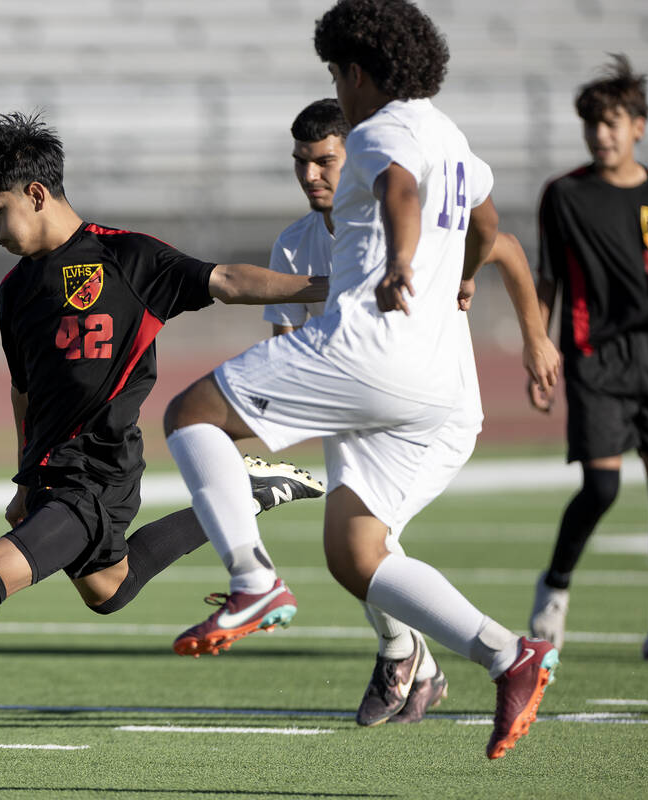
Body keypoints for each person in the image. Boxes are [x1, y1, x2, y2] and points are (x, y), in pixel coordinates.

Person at [0, 111, 327, 778]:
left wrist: (331, 289)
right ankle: (245, 493)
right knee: (109, 590)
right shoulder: (16, 288)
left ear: (35, 194)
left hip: (101, 476)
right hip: (54, 478)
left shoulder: (128, 258)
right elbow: (24, 390)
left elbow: (226, 281)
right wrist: (25, 482)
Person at [164, 0, 559, 759]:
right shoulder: (449, 132)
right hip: (441, 388)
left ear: (355, 69)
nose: (338, 91)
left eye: (335, 74)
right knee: (357, 552)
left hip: (372, 352)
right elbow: (488, 224)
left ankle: (252, 581)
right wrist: (464, 277)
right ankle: (510, 656)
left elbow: (399, 193)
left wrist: (404, 262)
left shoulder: (380, 132)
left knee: (190, 415)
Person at [262, 98, 560, 726]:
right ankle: (418, 662)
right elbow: (284, 346)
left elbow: (500, 244)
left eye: (325, 162)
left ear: (362, 157)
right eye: (301, 163)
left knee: (371, 544)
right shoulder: (294, 245)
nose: (312, 175)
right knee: (358, 550)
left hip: (436, 414)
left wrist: (534, 338)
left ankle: (427, 654)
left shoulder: (413, 225)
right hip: (355, 422)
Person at [527, 56, 648, 664]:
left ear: (639, 126)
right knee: (601, 486)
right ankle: (553, 589)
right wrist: (539, 347)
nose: (601, 134)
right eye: (592, 124)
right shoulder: (565, 194)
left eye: (613, 122)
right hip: (594, 357)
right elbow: (547, 278)